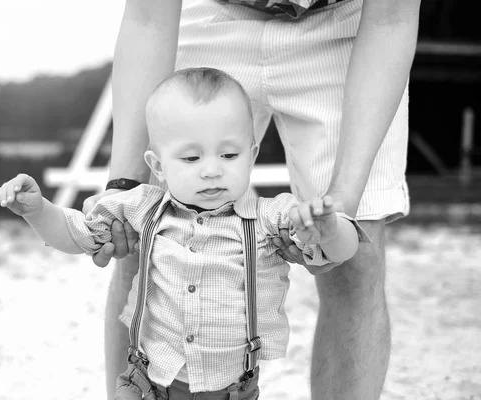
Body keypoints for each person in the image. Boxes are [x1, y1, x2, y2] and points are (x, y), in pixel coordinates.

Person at [85, 1, 421, 399]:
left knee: (357, 261)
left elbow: (392, 17)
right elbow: (147, 16)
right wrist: (124, 186)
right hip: (213, 11)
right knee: (144, 237)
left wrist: (340, 207)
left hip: (345, 22)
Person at [0, 68, 368, 399]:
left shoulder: (271, 217)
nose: (211, 170)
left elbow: (343, 250)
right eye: (191, 158)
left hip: (229, 390)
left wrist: (329, 230)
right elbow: (77, 236)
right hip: (146, 383)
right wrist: (39, 211)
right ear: (158, 165)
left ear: (252, 156)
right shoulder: (140, 207)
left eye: (229, 155)